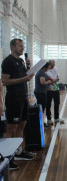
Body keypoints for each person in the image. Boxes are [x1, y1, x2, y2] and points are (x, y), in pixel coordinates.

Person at [1, 39, 35, 169]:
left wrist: (29, 72)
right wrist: (23, 79)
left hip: (23, 97)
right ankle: (6, 159)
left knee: (22, 125)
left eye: (23, 46)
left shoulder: (21, 61)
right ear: (12, 46)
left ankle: (18, 152)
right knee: (11, 129)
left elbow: (25, 76)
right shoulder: (7, 61)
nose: (22, 48)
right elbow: (4, 81)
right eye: (20, 46)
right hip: (14, 99)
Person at [34, 62, 54, 128]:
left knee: (42, 108)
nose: (49, 68)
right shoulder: (41, 73)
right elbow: (42, 82)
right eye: (48, 66)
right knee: (41, 108)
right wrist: (49, 82)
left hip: (41, 92)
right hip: (40, 92)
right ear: (45, 67)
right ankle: (41, 123)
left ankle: (40, 122)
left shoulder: (42, 72)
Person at [46, 60, 64, 125]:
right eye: (52, 65)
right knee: (48, 104)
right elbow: (50, 78)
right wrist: (54, 79)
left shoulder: (55, 68)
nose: (53, 66)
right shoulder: (47, 70)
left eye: (54, 64)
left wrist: (58, 77)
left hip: (56, 88)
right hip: (49, 89)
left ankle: (56, 117)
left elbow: (57, 75)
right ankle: (49, 119)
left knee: (57, 103)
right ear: (49, 64)